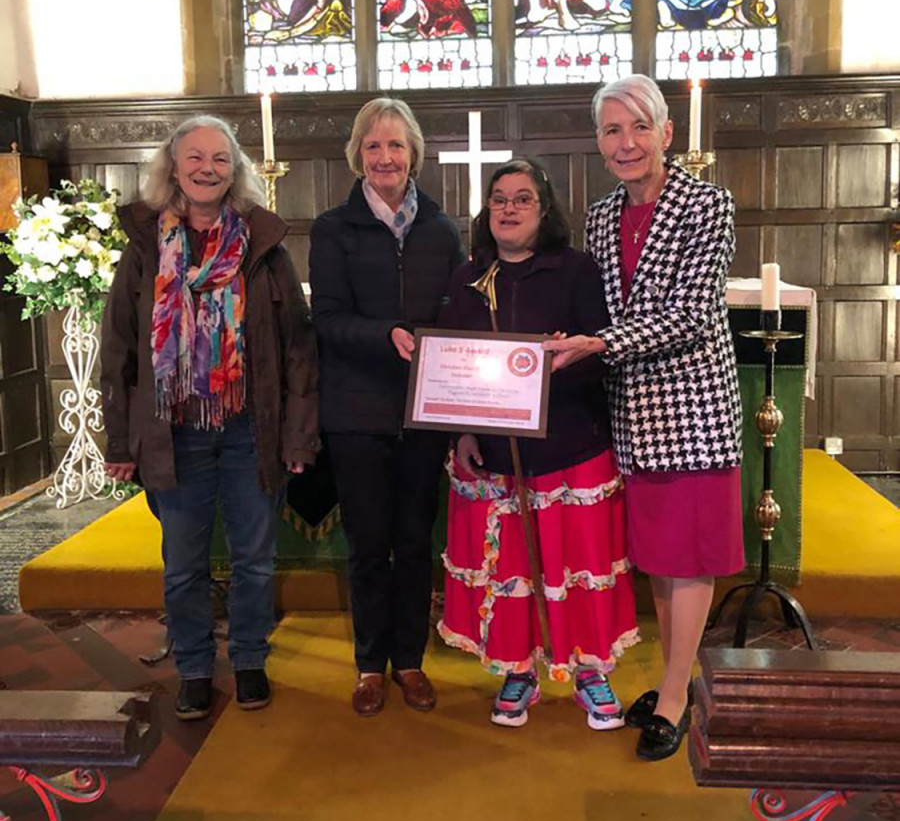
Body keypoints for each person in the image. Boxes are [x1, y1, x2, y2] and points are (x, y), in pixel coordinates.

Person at [545, 74, 744, 761]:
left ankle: (675, 694)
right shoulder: (602, 216)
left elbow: (689, 315)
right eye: (611, 130)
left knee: (687, 561)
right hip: (632, 413)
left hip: (691, 411)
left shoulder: (706, 204)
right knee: (659, 558)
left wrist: (599, 344)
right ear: (599, 144)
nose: (625, 142)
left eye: (637, 127)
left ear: (666, 132)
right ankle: (672, 679)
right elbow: (589, 304)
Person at [101, 116, 318, 721]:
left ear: (236, 169)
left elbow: (297, 348)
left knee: (254, 560)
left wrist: (298, 435)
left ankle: (249, 659)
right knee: (184, 564)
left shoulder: (263, 245)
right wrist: (119, 441)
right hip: (174, 433)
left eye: (220, 159)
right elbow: (118, 347)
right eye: (194, 157)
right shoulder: (146, 246)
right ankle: (194, 667)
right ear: (172, 167)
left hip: (252, 428)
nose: (207, 168)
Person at [438, 158, 637, 729]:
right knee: (515, 569)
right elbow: (457, 366)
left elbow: (601, 352)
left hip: (570, 447)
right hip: (498, 454)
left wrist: (555, 362)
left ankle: (591, 670)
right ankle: (518, 670)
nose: (508, 208)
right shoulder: (466, 277)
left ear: (544, 210)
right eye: (499, 198)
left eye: (522, 198)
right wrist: (465, 428)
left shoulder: (576, 270)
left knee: (573, 566)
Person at [309, 97, 463, 717]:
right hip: (358, 410)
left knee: (415, 540)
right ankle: (369, 666)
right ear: (358, 154)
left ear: (413, 153)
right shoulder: (332, 229)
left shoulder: (443, 230)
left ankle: (411, 661)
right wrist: (387, 334)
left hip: (424, 411)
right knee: (369, 543)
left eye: (396, 145)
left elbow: (459, 316)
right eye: (373, 146)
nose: (385, 157)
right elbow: (327, 320)